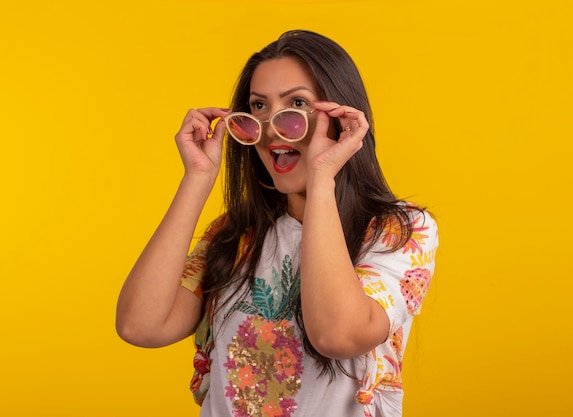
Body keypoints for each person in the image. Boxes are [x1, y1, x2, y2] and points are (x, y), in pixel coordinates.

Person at [116, 29, 438, 417]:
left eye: (296, 103)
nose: (270, 126)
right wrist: (197, 178)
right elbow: (140, 326)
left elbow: (337, 335)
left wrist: (322, 179)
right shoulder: (234, 236)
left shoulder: (399, 231)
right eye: (258, 107)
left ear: (342, 118)